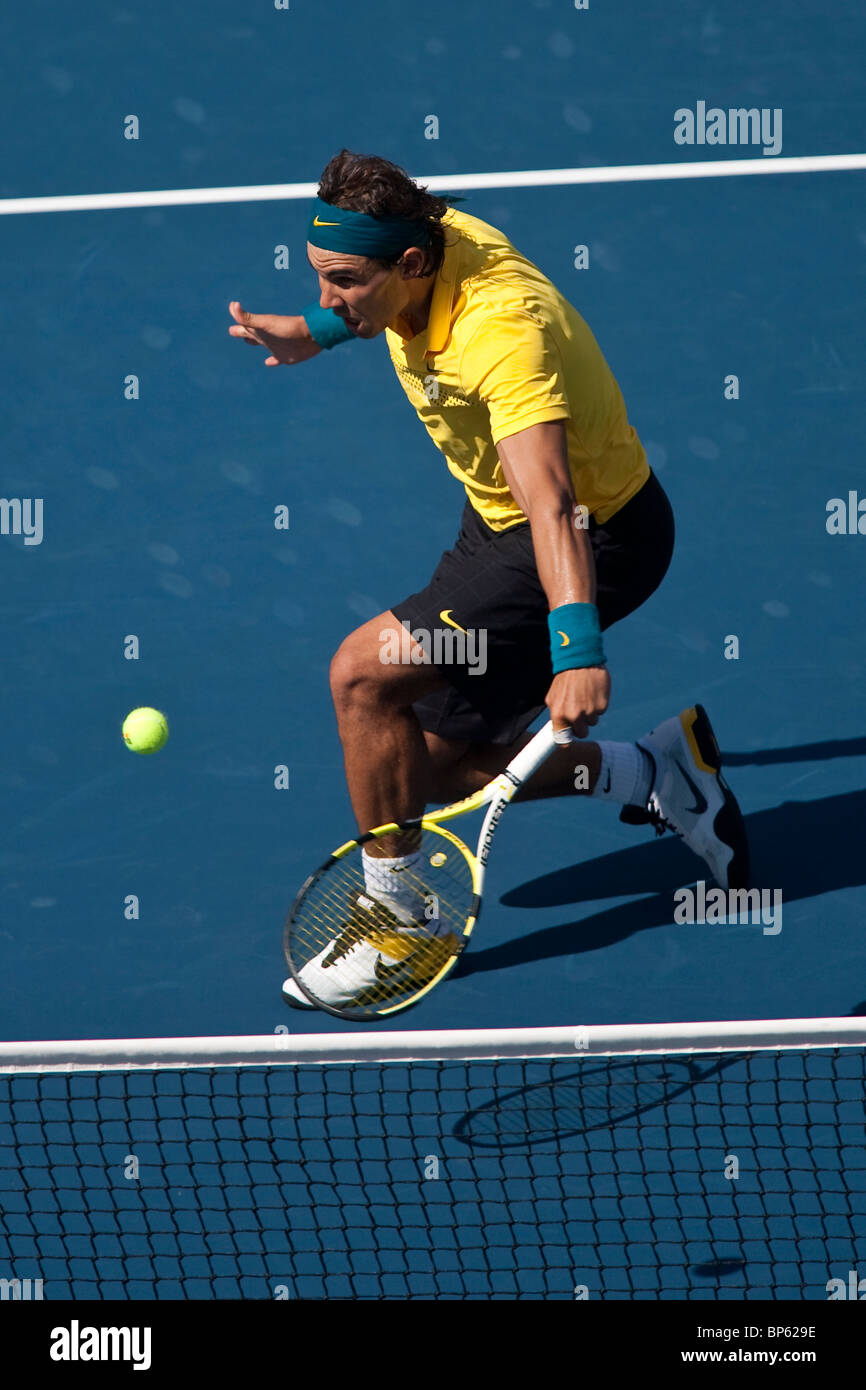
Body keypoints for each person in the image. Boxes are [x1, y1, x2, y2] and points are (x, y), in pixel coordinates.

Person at [229, 149, 749, 1010]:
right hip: (499, 528)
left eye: (344, 284)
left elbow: (556, 504)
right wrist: (317, 331)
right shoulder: (424, 243)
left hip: (592, 538)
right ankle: (656, 775)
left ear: (413, 265)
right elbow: (367, 304)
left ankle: (397, 921)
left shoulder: (502, 333)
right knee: (419, 768)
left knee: (362, 678)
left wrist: (576, 648)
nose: (329, 296)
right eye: (320, 278)